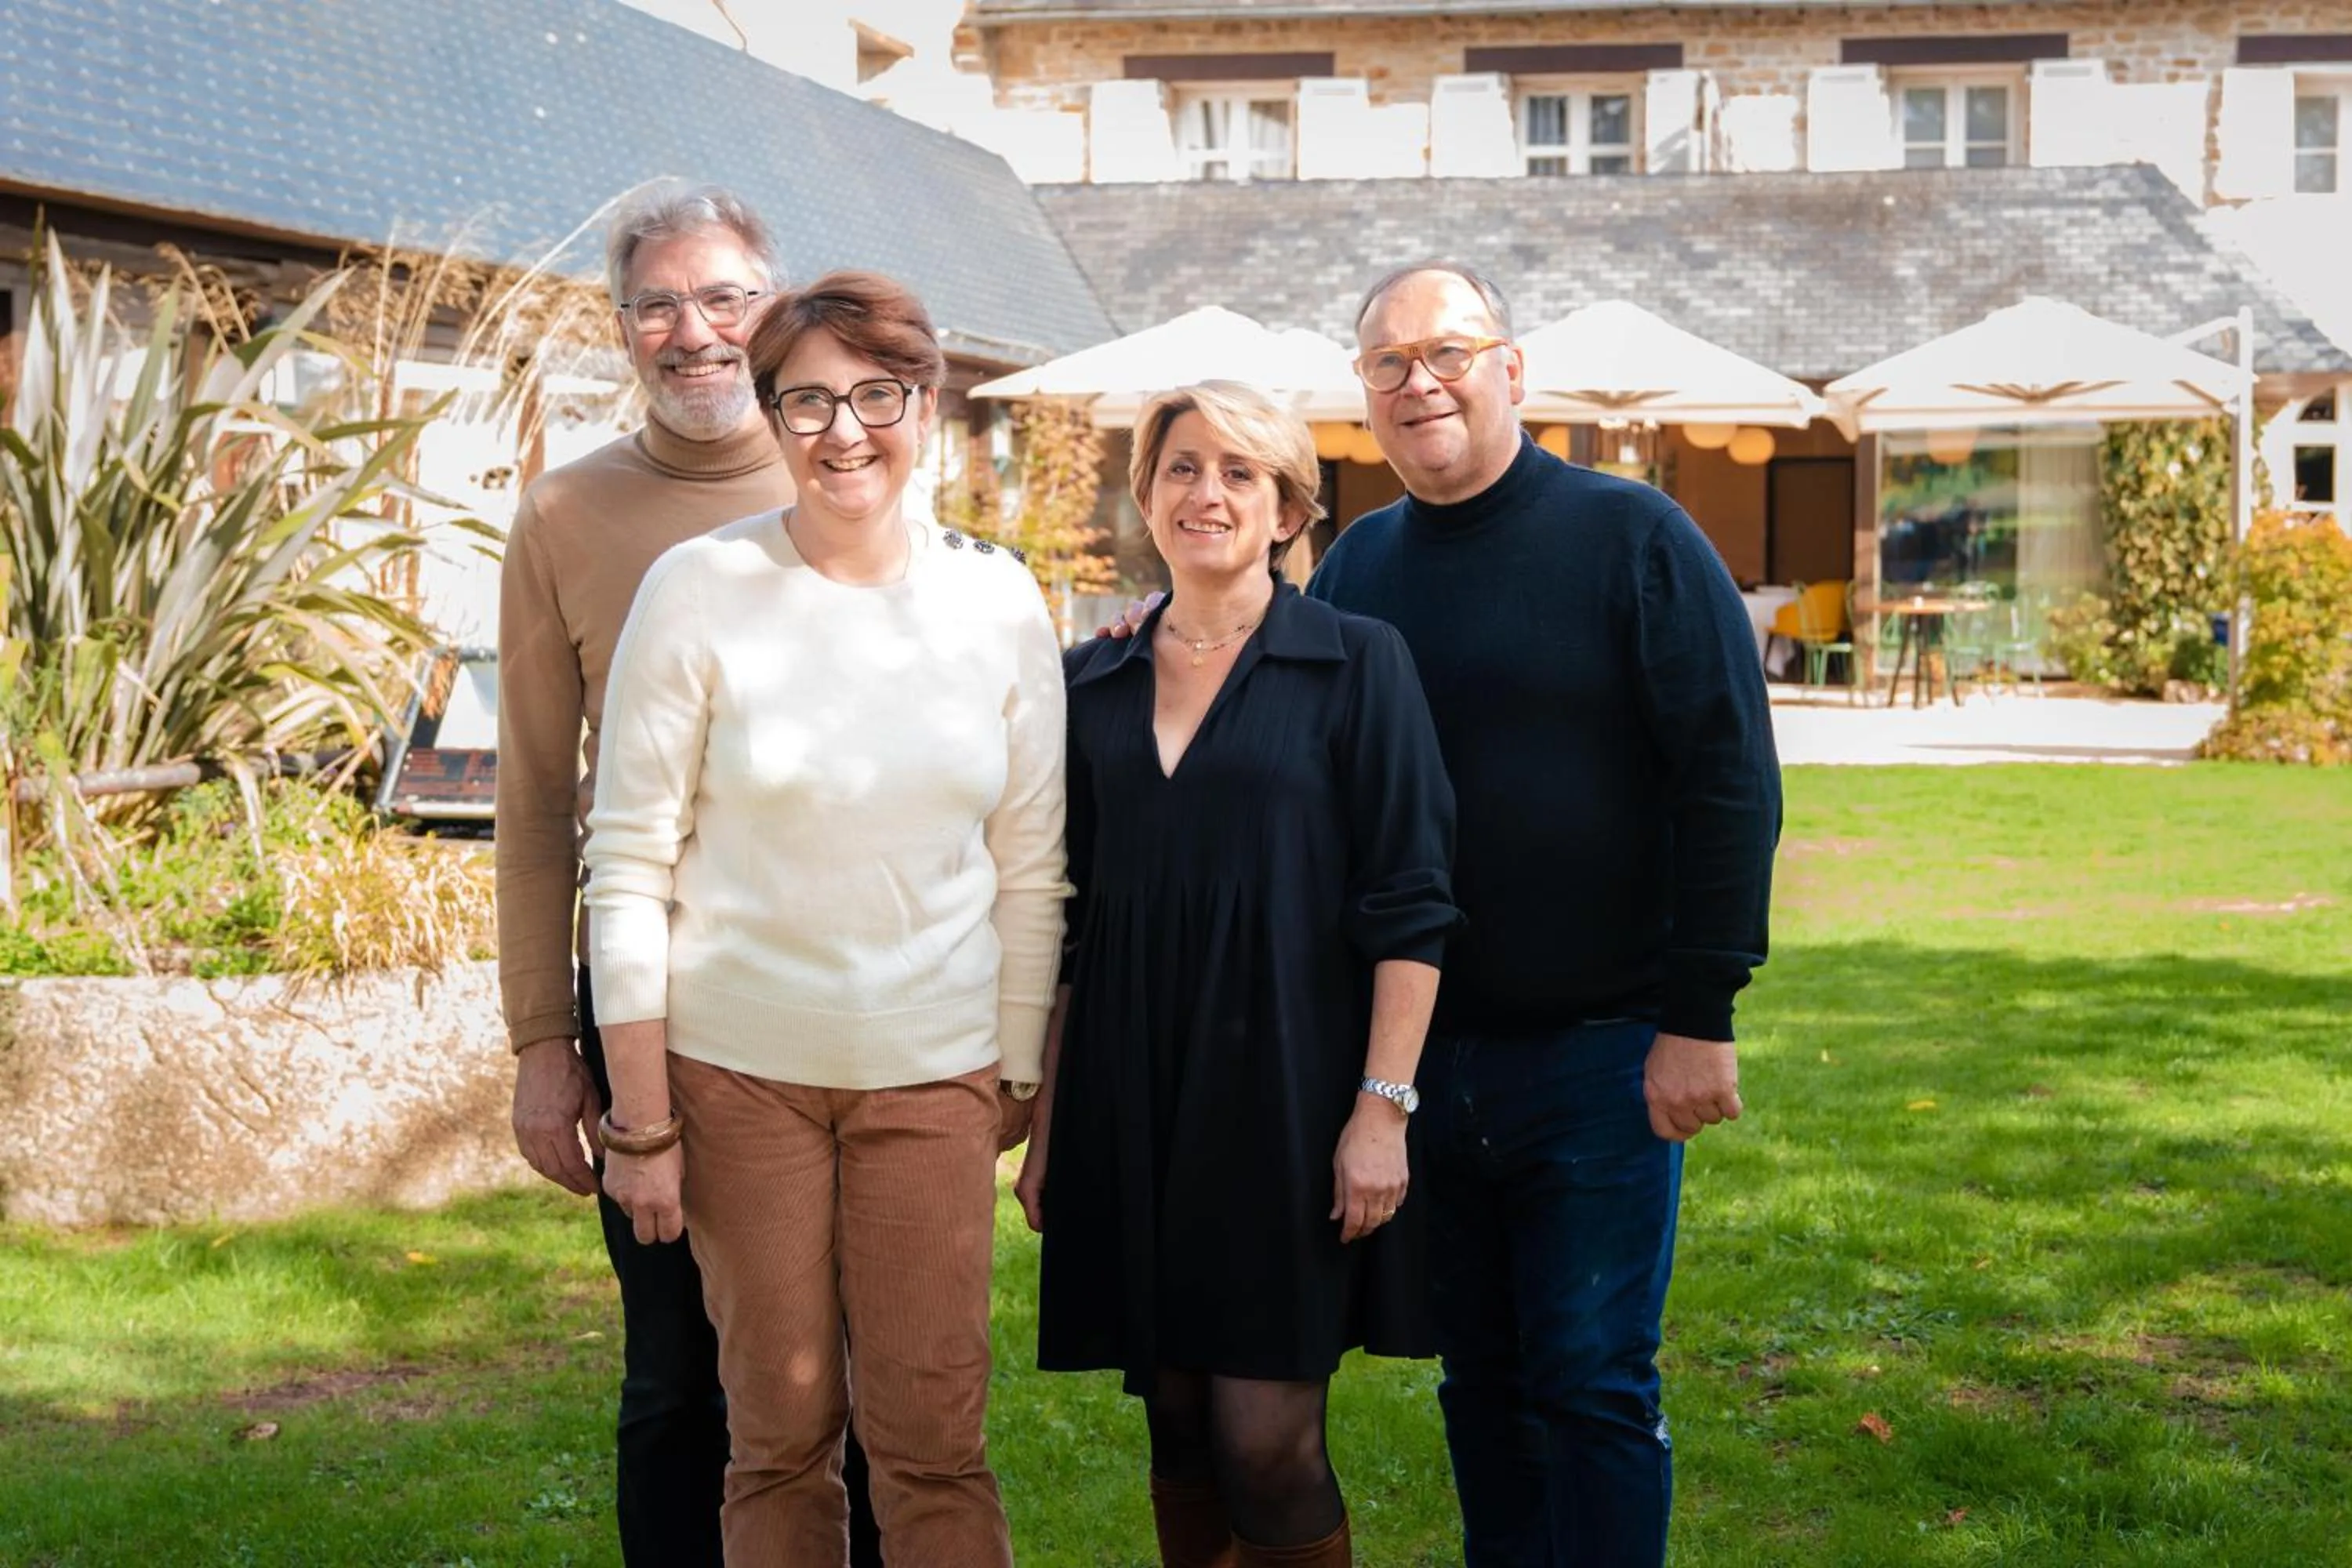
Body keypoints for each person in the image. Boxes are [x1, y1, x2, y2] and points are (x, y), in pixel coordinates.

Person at [583, 269, 1064, 1566]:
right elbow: (626, 866)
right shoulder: (697, 589)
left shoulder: (1000, 603)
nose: (845, 430)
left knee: (934, 1445)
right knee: (779, 1442)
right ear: (771, 415)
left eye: (877, 395)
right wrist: (642, 1123)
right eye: (808, 401)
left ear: (928, 405)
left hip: (936, 1073)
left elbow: (1032, 864)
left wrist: (1018, 1071)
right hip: (740, 1080)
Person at [1309, 263, 1781, 1566]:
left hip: (1601, 1054)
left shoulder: (1636, 539)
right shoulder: (1358, 566)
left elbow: (1731, 783)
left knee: (1592, 1384)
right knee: (1484, 1385)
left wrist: (1700, 1015)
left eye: (1448, 352)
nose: (1420, 382)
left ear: (1512, 370)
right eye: (1389, 364)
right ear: (1365, 395)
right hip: (1419, 1060)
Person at [496, 183, 883, 1568]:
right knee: (674, 1374)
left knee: (852, 1370)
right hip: (649, 1000)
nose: (694, 331)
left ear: (773, 308)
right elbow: (535, 798)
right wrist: (544, 1043)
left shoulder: (846, 478)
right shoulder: (564, 514)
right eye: (657, 304)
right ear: (620, 328)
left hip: (841, 992)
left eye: (724, 298)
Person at [1024, 381, 1460, 1568]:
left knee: (1267, 1442)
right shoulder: (1089, 681)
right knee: (1175, 1423)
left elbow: (1412, 906)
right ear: (1146, 496)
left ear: (1287, 511)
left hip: (1287, 1096)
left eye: (1238, 472)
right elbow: (1071, 925)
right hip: (1132, 1091)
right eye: (1180, 467)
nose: (1205, 493)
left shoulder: (1357, 663)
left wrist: (1382, 1111)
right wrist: (1053, 1127)